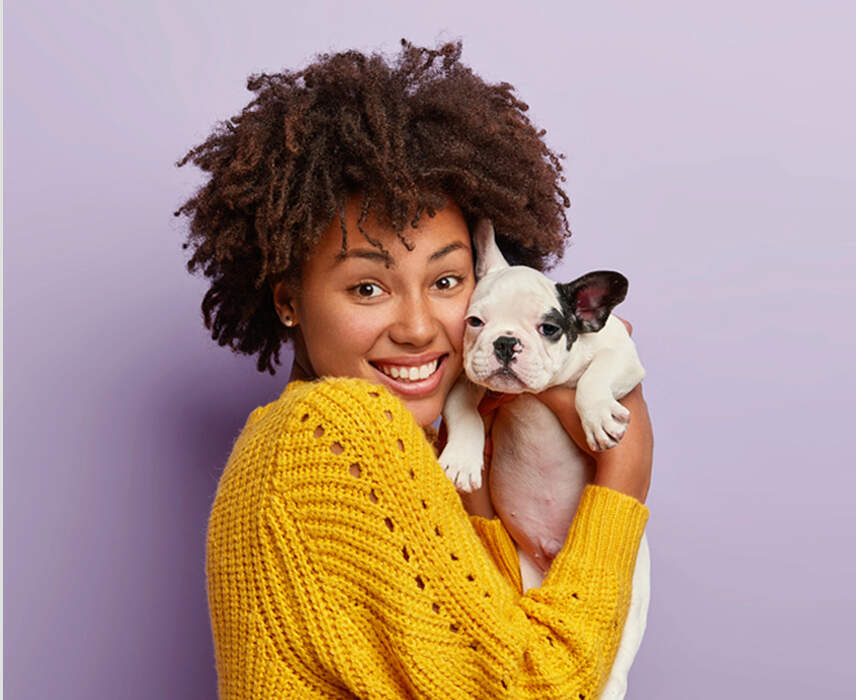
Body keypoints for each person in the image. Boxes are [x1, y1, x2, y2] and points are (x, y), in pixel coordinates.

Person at [176, 41, 653, 699]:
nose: (419, 327)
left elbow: (486, 638)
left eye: (448, 280)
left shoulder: (288, 445)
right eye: (368, 288)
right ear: (287, 300)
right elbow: (543, 687)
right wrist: (625, 474)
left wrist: (481, 472)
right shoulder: (338, 429)